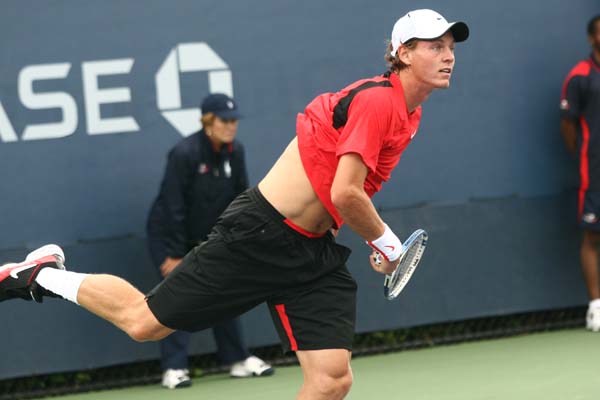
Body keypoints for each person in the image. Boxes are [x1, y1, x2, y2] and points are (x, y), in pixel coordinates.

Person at [0, 9, 468, 399]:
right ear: (403, 53)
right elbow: (346, 192)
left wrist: (373, 239)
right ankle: (41, 274)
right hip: (260, 234)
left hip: (312, 252)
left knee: (331, 380)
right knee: (143, 323)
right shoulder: (379, 102)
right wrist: (386, 243)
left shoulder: (409, 114)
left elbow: (342, 193)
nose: (448, 55)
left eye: (450, 46)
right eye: (434, 46)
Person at [146, 93, 273, 389]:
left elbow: (241, 198)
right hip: (170, 235)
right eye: (224, 121)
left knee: (224, 291)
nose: (231, 126)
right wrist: (175, 253)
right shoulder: (184, 153)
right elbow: (174, 206)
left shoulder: (235, 151)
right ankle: (174, 368)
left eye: (234, 120)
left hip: (209, 235)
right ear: (208, 122)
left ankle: (237, 359)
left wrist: (239, 241)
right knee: (177, 296)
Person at [560, 15, 600, 332]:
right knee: (592, 237)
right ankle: (596, 308)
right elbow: (568, 125)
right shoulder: (579, 77)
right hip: (594, 171)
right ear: (591, 38)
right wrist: (583, 155)